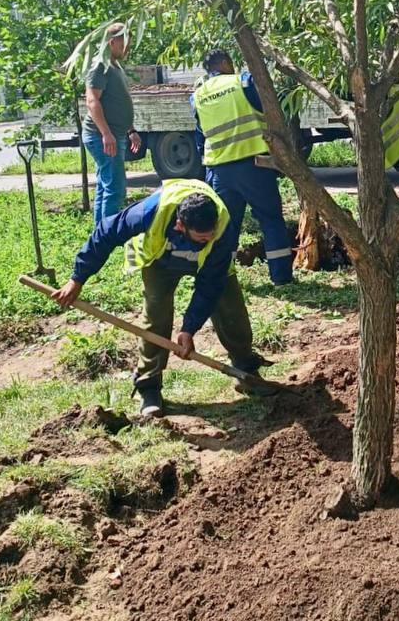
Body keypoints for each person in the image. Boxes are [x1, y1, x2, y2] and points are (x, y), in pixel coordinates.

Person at [51, 179, 267, 418]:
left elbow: (210, 285)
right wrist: (77, 279)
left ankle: (245, 370)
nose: (209, 238)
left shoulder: (222, 228)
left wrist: (189, 329)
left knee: (230, 307)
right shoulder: (149, 212)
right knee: (156, 313)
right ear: (180, 225)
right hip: (160, 259)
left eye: (210, 234)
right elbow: (106, 233)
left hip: (209, 264)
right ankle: (149, 388)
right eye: (201, 238)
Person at [191, 50, 294, 286]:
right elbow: (270, 112)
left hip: (219, 171)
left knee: (226, 226)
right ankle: (281, 278)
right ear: (226, 63)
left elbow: (200, 136)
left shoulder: (198, 96)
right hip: (254, 165)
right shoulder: (244, 82)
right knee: (270, 219)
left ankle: (223, 276)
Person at [82, 22, 142, 225]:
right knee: (115, 188)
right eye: (125, 42)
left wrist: (131, 129)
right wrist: (106, 133)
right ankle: (108, 235)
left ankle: (100, 234)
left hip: (115, 134)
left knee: (105, 186)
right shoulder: (101, 66)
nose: (128, 48)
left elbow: (117, 100)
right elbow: (92, 101)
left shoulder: (115, 66)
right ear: (112, 42)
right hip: (102, 137)